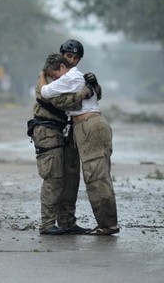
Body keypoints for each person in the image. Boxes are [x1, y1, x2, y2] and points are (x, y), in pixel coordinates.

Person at [39, 52, 119, 236]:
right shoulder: (80, 78)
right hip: (84, 128)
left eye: (54, 75)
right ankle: (102, 223)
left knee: (96, 177)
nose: (54, 79)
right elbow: (95, 94)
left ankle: (108, 225)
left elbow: (46, 93)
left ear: (60, 68)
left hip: (89, 126)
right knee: (92, 176)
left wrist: (42, 75)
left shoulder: (69, 76)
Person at [28, 39, 99, 235]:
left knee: (71, 178)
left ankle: (67, 222)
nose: (72, 61)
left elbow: (95, 96)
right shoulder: (48, 75)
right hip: (47, 130)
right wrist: (81, 95)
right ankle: (47, 223)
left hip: (66, 132)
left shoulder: (72, 77)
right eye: (68, 56)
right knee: (53, 177)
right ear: (61, 57)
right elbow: (56, 100)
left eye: (76, 58)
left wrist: (93, 84)